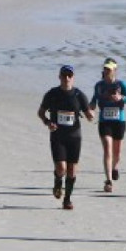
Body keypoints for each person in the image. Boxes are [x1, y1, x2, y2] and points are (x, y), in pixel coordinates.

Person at [37, 65, 93, 210]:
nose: (67, 78)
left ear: (73, 78)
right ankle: (57, 181)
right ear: (59, 77)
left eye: (70, 75)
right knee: (61, 168)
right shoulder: (52, 94)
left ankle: (67, 199)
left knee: (72, 170)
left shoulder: (79, 95)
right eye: (64, 75)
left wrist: (91, 115)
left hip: (75, 136)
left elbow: (89, 114)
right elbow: (41, 112)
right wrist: (47, 122)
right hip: (58, 136)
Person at [89, 58, 126, 193]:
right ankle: (108, 180)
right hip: (104, 121)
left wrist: (121, 98)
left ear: (115, 70)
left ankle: (114, 167)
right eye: (106, 69)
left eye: (110, 69)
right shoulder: (99, 85)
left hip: (119, 121)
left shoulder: (121, 85)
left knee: (117, 151)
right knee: (107, 149)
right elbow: (93, 101)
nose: (107, 71)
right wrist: (90, 109)